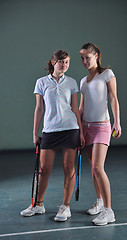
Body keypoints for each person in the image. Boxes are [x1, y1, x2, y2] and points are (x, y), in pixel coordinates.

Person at [21, 49, 85, 221]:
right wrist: (35, 133)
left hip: (70, 129)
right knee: (43, 170)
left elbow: (75, 108)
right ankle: (38, 205)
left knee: (68, 168)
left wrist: (81, 132)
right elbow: (39, 109)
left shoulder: (71, 82)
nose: (64, 65)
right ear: (52, 62)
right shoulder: (41, 83)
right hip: (49, 130)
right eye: (61, 61)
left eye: (67, 62)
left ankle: (65, 207)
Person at [79, 43, 121, 226]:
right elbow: (81, 107)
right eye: (82, 58)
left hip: (102, 127)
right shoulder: (83, 81)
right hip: (86, 127)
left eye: (87, 57)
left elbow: (113, 98)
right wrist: (78, 130)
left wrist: (117, 122)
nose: (84, 61)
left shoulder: (107, 74)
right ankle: (100, 201)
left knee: (98, 167)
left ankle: (109, 211)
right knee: (92, 168)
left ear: (96, 56)